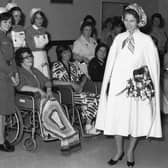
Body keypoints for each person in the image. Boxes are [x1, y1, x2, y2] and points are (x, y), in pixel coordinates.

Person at [95, 3, 162, 167]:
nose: (128, 24)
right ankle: (119, 151)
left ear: (138, 21)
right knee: (118, 118)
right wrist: (109, 83)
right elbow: (111, 62)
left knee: (135, 120)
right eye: (126, 20)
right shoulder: (119, 38)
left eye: (132, 21)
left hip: (137, 87)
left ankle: (130, 150)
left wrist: (149, 85)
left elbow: (153, 65)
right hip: (119, 87)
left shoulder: (146, 40)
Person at [15, 47, 80, 152]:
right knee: (51, 103)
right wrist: (38, 90)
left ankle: (65, 131)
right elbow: (19, 87)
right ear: (20, 60)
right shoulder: (19, 72)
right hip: (29, 98)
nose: (30, 59)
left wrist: (49, 90)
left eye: (30, 56)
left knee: (53, 100)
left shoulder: (34, 70)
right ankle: (60, 132)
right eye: (26, 57)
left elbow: (47, 81)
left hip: (43, 97)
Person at [52, 45, 100, 135]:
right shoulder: (56, 65)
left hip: (78, 93)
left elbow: (84, 76)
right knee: (93, 99)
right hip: (66, 94)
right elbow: (54, 82)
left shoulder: (73, 65)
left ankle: (87, 120)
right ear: (60, 54)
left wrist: (81, 85)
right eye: (64, 52)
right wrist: (71, 83)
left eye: (69, 52)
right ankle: (88, 126)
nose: (68, 54)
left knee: (98, 97)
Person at [0, 8, 19, 152]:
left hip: (8, 77)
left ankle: (1, 139)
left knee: (4, 111)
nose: (8, 24)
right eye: (5, 22)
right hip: (2, 76)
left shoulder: (7, 38)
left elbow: (12, 58)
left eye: (10, 22)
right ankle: (1, 140)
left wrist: (16, 73)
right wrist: (11, 74)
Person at [25, 8, 50, 78]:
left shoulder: (44, 30)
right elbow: (30, 46)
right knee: (37, 77)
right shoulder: (28, 30)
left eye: (41, 18)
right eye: (37, 18)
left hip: (44, 55)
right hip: (34, 57)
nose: (40, 20)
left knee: (46, 76)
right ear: (33, 19)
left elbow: (45, 45)